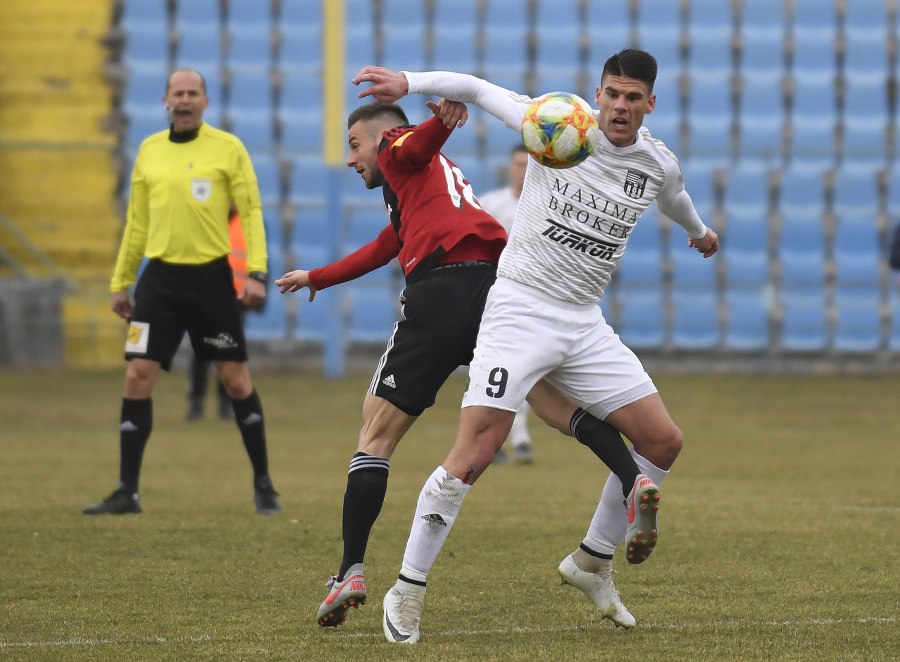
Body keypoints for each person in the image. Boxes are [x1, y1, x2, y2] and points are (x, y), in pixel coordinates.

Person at [353, 48, 719, 644]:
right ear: (597, 95)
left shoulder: (656, 163)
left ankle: (592, 561)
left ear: (650, 104)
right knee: (476, 450)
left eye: (633, 98)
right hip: (518, 310)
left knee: (663, 441)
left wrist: (699, 232)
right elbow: (472, 86)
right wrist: (408, 82)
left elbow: (674, 197)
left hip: (582, 322)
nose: (620, 106)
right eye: (613, 94)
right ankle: (408, 588)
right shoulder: (555, 124)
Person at [275, 100, 651, 630]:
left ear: (383, 136)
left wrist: (443, 121)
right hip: (494, 292)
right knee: (549, 402)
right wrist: (318, 277)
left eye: (354, 144)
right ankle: (632, 478)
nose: (351, 158)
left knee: (376, 434)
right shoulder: (426, 186)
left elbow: (412, 143)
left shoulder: (399, 150)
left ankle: (350, 571)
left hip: (441, 292)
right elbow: (386, 245)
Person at [83, 68, 281, 516]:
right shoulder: (149, 151)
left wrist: (256, 272)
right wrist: (121, 281)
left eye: (194, 93)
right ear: (166, 100)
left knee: (234, 379)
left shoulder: (228, 149)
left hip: (211, 281)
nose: (186, 100)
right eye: (178, 93)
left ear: (206, 102)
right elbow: (136, 223)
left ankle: (264, 485)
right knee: (137, 375)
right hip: (159, 283)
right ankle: (126, 492)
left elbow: (250, 212)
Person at [478, 143, 534, 464]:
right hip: (494, 298)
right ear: (510, 167)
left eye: (529, 164)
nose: (523, 170)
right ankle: (497, 440)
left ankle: (519, 436)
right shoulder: (491, 204)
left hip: (530, 299)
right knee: (491, 367)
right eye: (518, 164)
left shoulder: (546, 208)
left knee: (524, 368)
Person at [186, 201, 253, 421]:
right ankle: (196, 402)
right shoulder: (205, 221)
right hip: (205, 296)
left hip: (236, 299)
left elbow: (258, 261)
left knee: (229, 353)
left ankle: (226, 404)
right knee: (201, 352)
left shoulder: (247, 225)